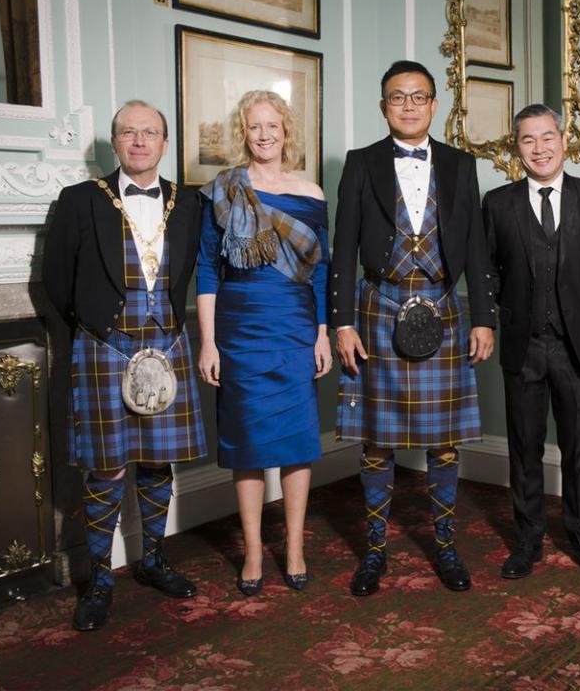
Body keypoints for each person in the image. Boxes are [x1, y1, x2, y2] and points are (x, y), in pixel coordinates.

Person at [331, 60, 496, 596]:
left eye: (418, 97)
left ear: (433, 104)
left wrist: (484, 319)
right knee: (376, 442)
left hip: (445, 309)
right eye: (397, 97)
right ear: (383, 107)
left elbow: (475, 246)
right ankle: (374, 553)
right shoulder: (360, 163)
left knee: (443, 442)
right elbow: (343, 250)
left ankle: (446, 548)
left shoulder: (460, 164)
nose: (408, 105)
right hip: (378, 308)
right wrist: (341, 323)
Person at [42, 100, 207, 631]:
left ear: (164, 143)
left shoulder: (190, 203)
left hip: (170, 346)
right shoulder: (78, 201)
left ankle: (154, 559)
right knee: (106, 467)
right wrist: (93, 332)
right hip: (101, 349)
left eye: (149, 133)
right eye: (128, 133)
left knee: (158, 462)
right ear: (114, 143)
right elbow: (54, 280)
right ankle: (99, 578)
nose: (139, 142)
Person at [196, 90, 330, 597]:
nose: (265, 134)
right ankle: (253, 549)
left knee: (298, 441)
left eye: (273, 125)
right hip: (240, 328)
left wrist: (320, 333)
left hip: (295, 327)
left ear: (286, 131)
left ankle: (294, 546)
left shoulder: (312, 192)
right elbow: (208, 270)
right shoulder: (223, 189)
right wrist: (209, 344)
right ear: (243, 133)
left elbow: (321, 272)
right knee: (246, 445)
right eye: (255, 126)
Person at [483, 104, 580, 583]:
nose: (539, 148)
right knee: (524, 449)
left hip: (578, 347)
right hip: (524, 348)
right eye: (528, 140)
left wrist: (578, 309)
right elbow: (489, 272)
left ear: (564, 141)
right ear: (516, 148)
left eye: (547, 137)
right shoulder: (497, 204)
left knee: (579, 450)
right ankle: (528, 541)